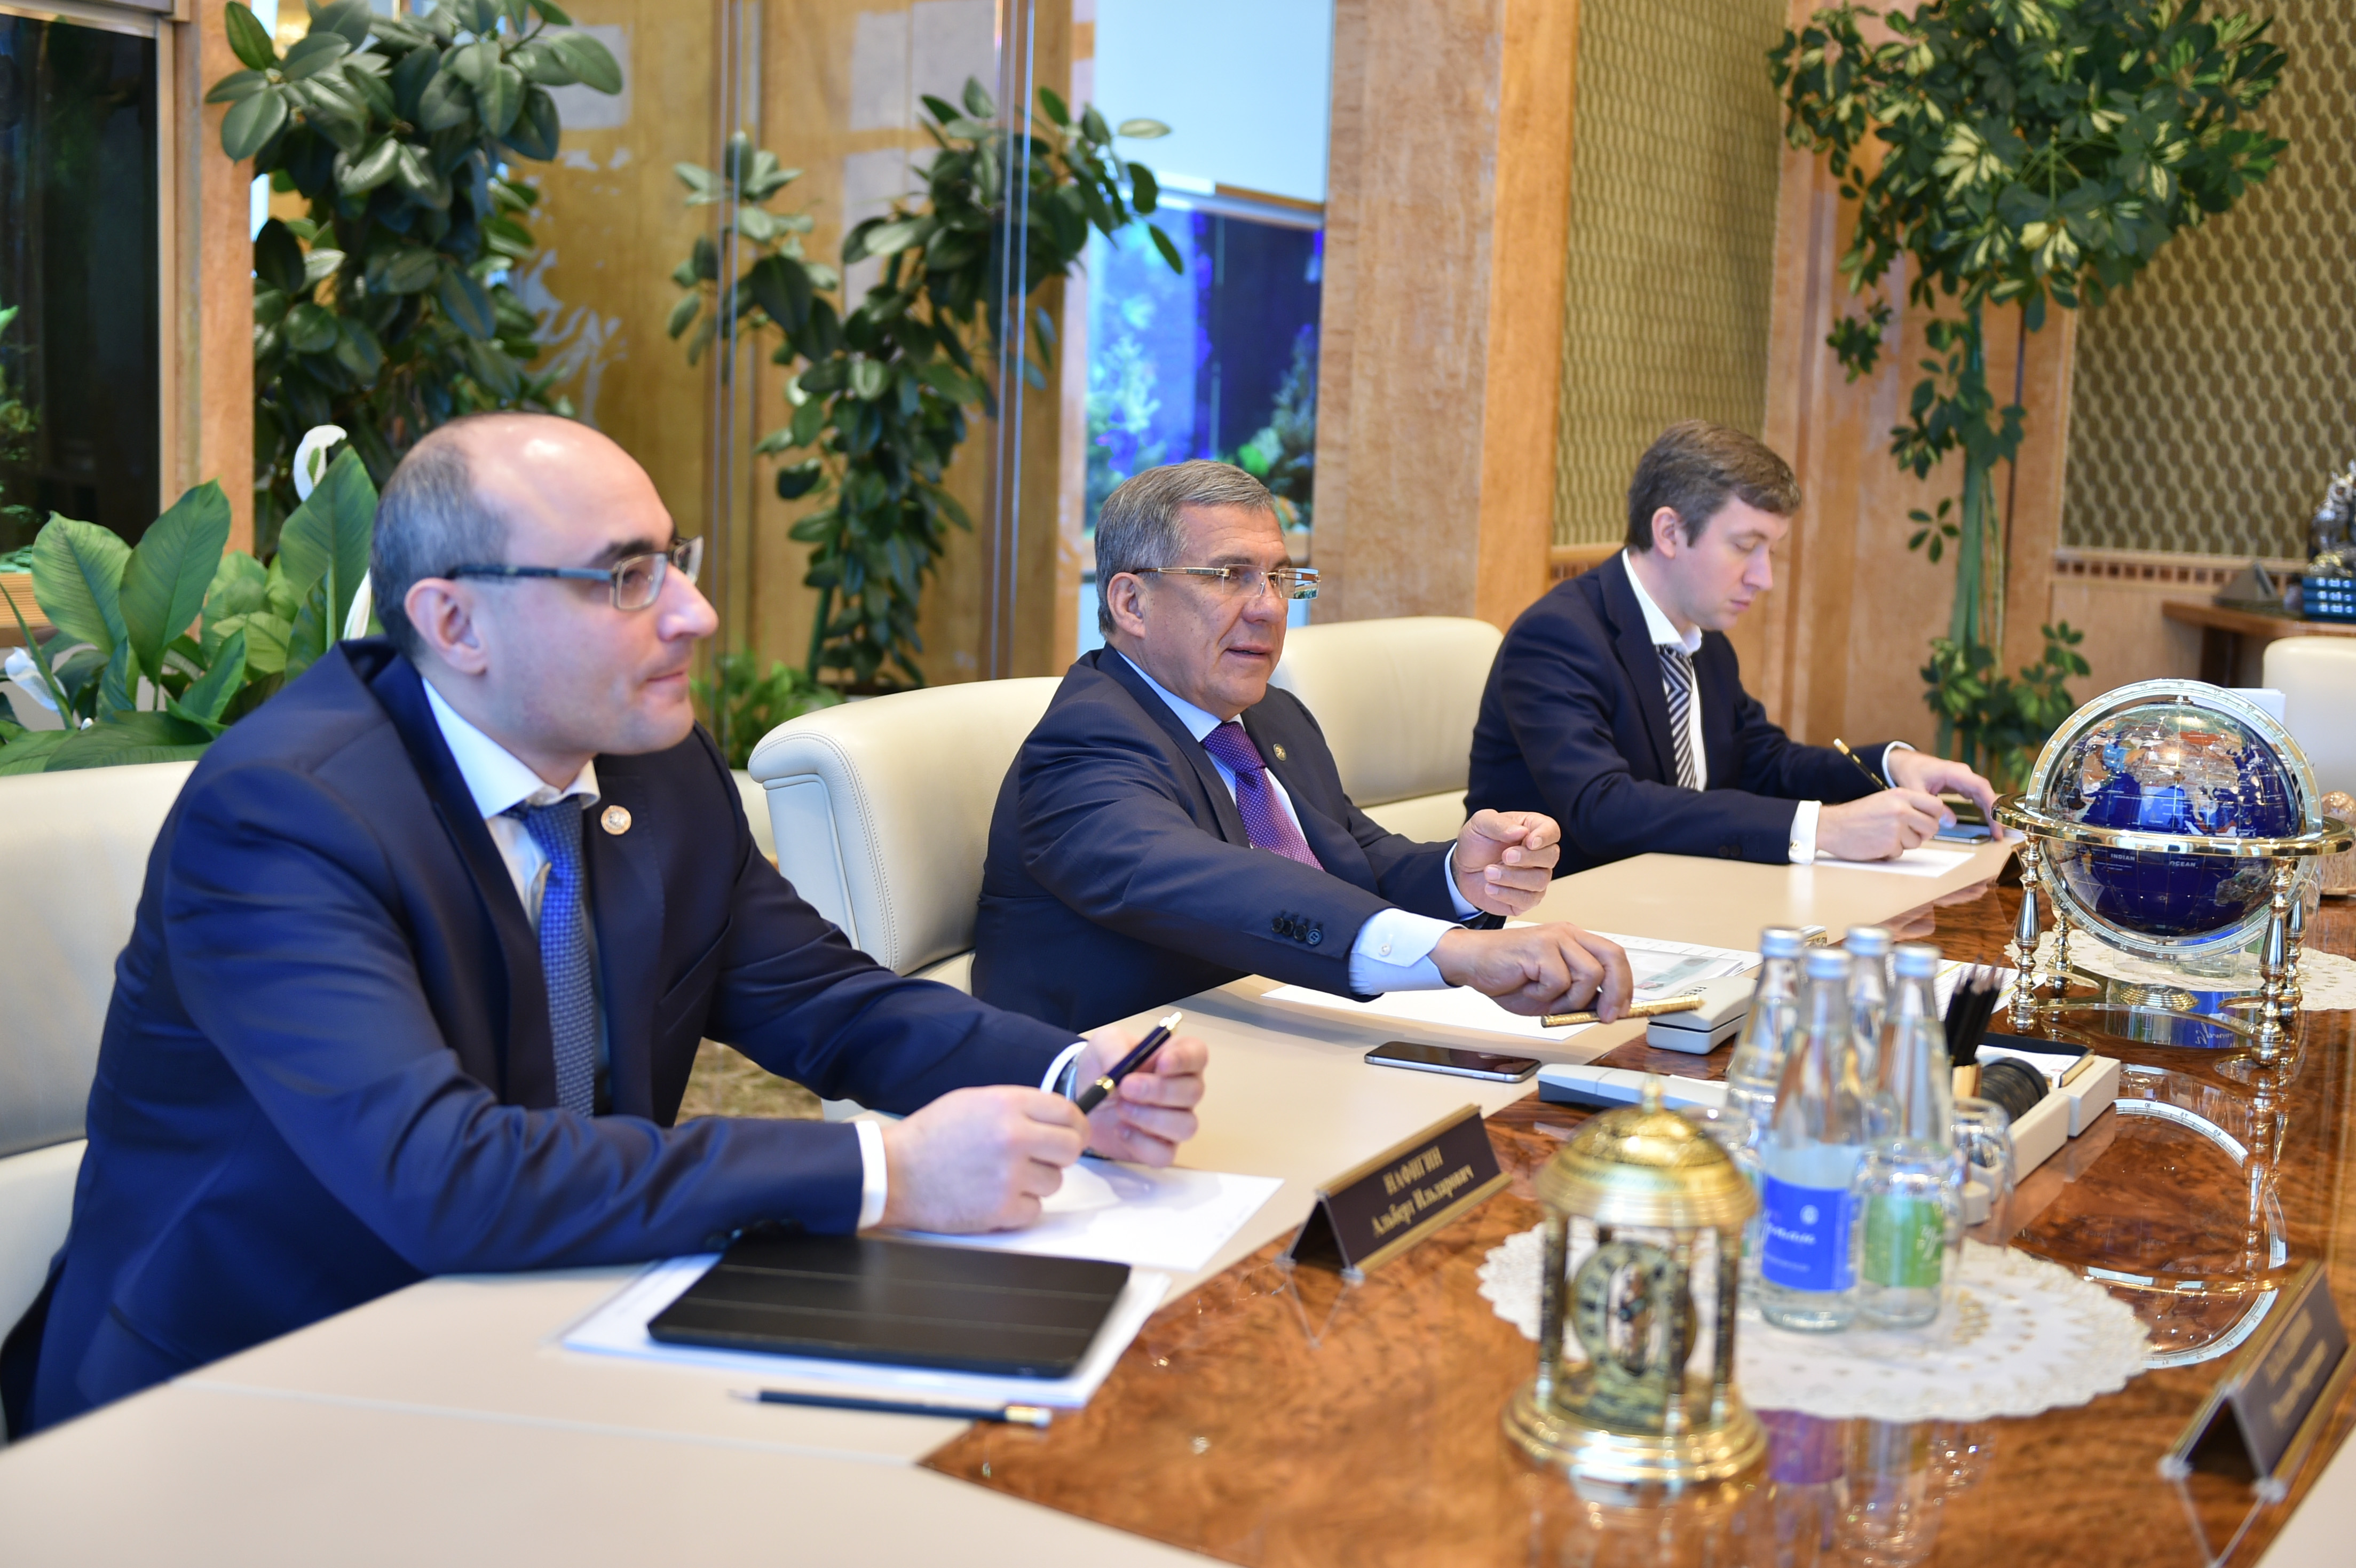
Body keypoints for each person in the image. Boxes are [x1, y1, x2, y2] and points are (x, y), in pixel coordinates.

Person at [2, 414, 1206, 1437]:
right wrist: (885, 1171)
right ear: (454, 623)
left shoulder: (655, 765)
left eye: (671, 561)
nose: (696, 611)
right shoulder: (283, 815)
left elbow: (824, 998)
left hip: (560, 1319)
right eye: (626, 577)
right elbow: (443, 1173)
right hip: (244, 1393)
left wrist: (1069, 1073)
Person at [973, 461, 1633, 1035]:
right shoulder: (1084, 742)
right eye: (1231, 575)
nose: (1269, 608)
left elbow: (1355, 859)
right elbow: (1220, 886)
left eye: (1280, 579)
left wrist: (1461, 876)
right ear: (1132, 603)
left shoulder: (1271, 717)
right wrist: (1452, 952)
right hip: (1116, 1090)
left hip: (1276, 1040)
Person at [1465, 421, 1997, 875]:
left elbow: (1763, 763)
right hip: (1558, 919)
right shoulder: (1558, 636)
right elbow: (1604, 808)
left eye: (1771, 551)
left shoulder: (1705, 641)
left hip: (1677, 902)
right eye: (1745, 547)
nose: (1764, 578)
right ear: (1669, 532)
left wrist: (1891, 765)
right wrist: (1824, 827)